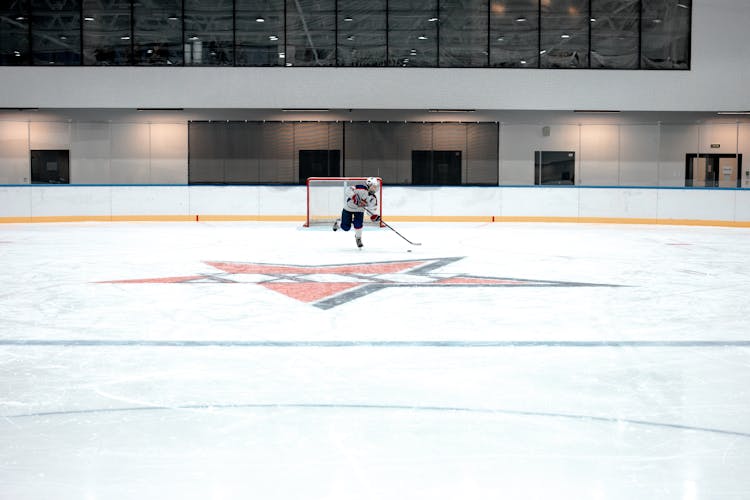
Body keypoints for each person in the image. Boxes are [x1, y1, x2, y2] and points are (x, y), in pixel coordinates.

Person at [332, 177, 380, 248]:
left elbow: (371, 210)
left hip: (359, 211)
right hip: (348, 209)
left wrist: (373, 216)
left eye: (376, 187)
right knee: (346, 228)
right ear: (369, 185)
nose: (375, 188)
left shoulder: (373, 198)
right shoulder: (360, 188)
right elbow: (348, 190)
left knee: (358, 224)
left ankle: (358, 239)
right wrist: (354, 196)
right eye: (374, 186)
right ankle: (339, 222)